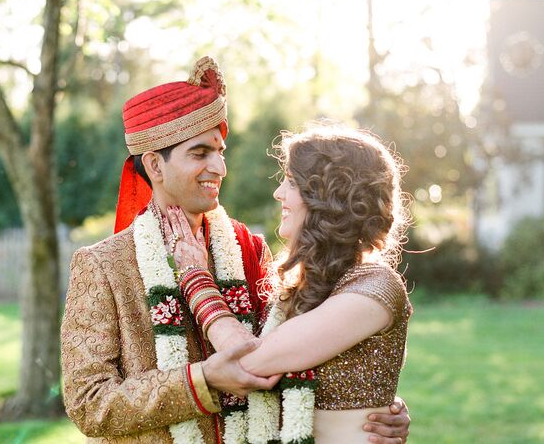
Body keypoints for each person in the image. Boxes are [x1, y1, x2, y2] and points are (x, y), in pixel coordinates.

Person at [60, 57, 410, 443]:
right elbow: (89, 403)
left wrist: (368, 406)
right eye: (200, 153)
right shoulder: (105, 265)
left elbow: (294, 360)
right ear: (154, 166)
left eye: (220, 151)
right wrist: (199, 383)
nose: (220, 167)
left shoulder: (249, 248)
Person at [165, 124, 412, 443]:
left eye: (291, 182)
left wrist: (195, 279)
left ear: (328, 197)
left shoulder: (376, 286)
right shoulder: (304, 285)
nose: (278, 193)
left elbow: (249, 362)